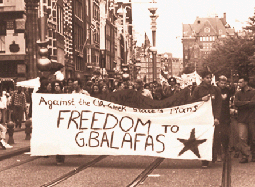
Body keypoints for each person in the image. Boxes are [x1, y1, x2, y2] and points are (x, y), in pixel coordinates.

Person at [192, 70, 222, 168]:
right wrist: (201, 100)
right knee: (203, 138)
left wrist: (217, 117)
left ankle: (212, 155)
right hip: (202, 119)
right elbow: (191, 102)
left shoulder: (216, 89)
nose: (209, 80)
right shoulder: (198, 89)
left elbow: (218, 105)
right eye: (207, 78)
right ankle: (204, 160)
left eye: (210, 78)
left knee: (214, 138)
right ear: (203, 79)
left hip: (212, 118)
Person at [234, 76, 255, 163]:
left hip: (252, 118)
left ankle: (254, 155)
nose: (239, 84)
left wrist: (242, 104)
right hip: (241, 119)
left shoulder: (253, 92)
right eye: (238, 82)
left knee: (253, 137)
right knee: (242, 137)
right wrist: (248, 102)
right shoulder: (238, 93)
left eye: (241, 82)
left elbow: (253, 103)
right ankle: (245, 155)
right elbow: (236, 103)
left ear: (246, 82)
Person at [217, 75, 236, 161]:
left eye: (225, 83)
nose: (223, 85)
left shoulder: (228, 90)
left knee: (225, 134)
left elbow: (233, 89)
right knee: (217, 135)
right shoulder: (215, 90)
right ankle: (218, 154)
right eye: (222, 83)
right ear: (218, 82)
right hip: (217, 114)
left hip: (225, 115)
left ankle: (225, 151)